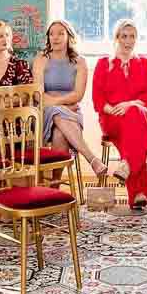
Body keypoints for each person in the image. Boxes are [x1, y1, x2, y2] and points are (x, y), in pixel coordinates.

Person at [93, 21, 147, 211]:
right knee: (136, 136)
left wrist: (129, 105)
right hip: (112, 118)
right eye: (124, 36)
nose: (128, 41)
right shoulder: (103, 64)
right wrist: (113, 109)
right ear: (116, 38)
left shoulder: (145, 64)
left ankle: (127, 164)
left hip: (142, 113)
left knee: (134, 115)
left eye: (132, 36)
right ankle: (139, 193)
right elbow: (98, 99)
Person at [32, 19, 105, 178]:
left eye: (60, 33)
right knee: (57, 113)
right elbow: (38, 94)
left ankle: (55, 186)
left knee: (60, 134)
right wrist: (63, 104)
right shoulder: (41, 59)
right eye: (51, 34)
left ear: (69, 37)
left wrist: (57, 103)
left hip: (71, 114)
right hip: (45, 113)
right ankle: (91, 158)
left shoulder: (80, 62)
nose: (55, 37)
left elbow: (78, 95)